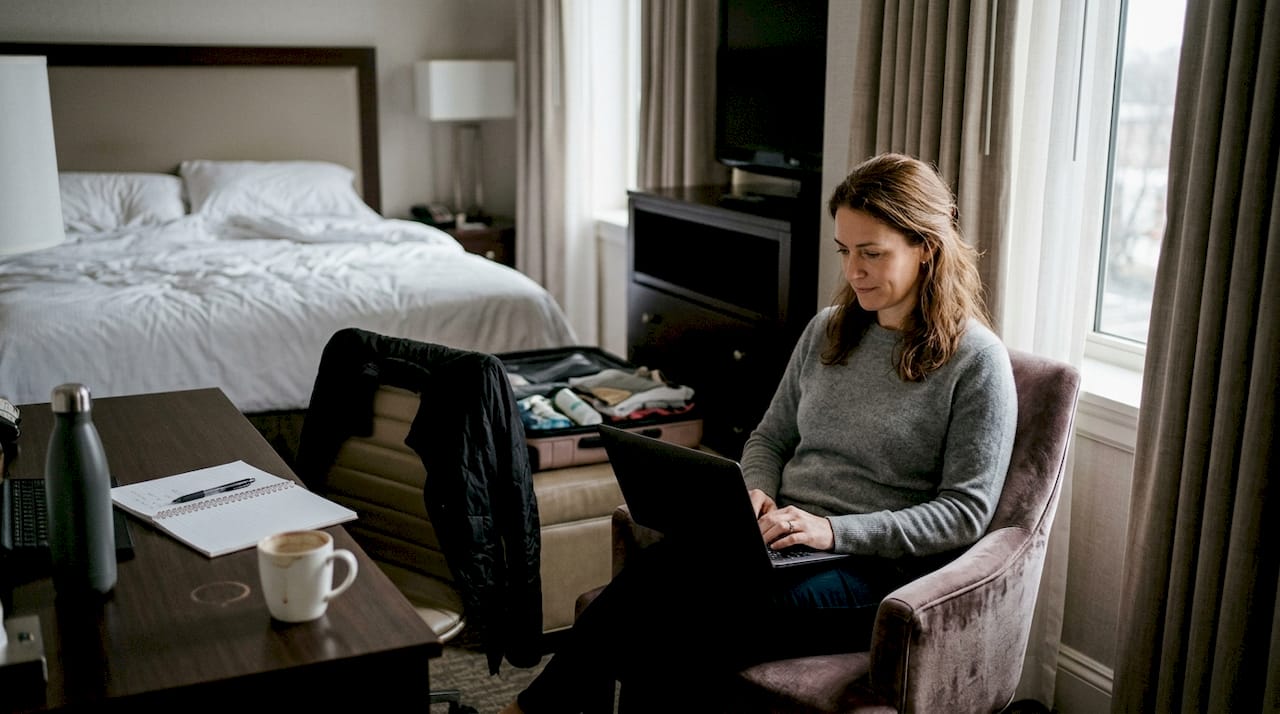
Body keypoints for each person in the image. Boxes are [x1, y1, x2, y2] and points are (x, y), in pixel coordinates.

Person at [501, 152, 1018, 713]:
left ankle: (533, 709)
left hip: (876, 575)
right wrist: (753, 491)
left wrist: (834, 532)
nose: (853, 271)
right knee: (663, 571)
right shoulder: (830, 330)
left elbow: (965, 512)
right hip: (783, 542)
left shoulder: (976, 362)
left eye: (872, 253)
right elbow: (769, 438)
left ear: (927, 248)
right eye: (845, 251)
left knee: (680, 620)